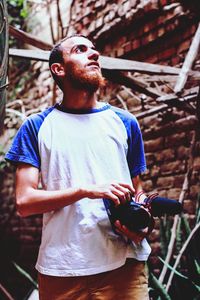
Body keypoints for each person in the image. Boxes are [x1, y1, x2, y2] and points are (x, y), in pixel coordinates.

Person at [5, 34, 152, 300]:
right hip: (61, 268)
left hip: (124, 267)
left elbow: (137, 190)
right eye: (81, 49)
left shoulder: (125, 122)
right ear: (58, 69)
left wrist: (144, 221)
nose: (94, 54)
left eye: (94, 50)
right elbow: (25, 202)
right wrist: (86, 190)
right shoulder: (36, 127)